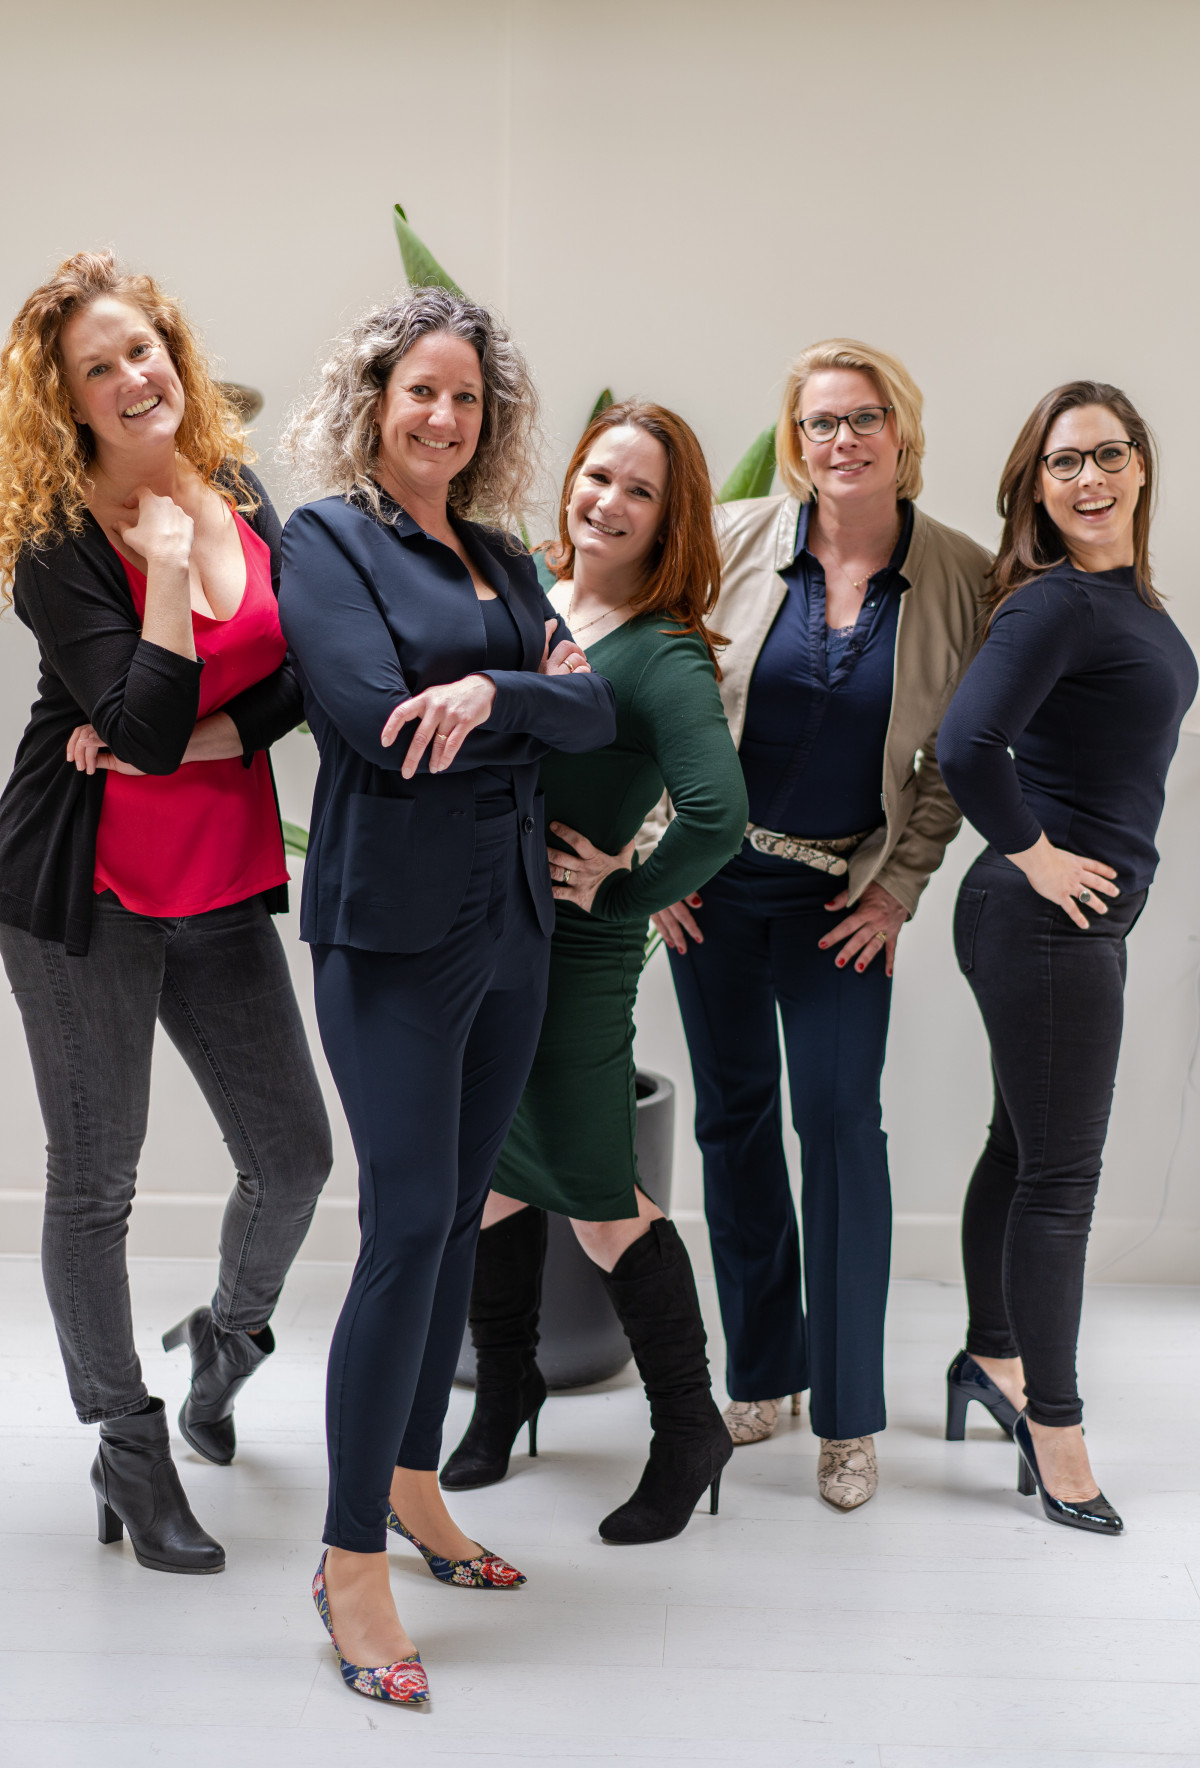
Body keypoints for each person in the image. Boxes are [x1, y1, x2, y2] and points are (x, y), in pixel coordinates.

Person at [279, 286, 615, 1706]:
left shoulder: (505, 555)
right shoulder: (328, 540)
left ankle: (413, 1484)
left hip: (515, 924)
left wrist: (490, 699)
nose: (445, 415)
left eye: (468, 396)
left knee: (465, 1213)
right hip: (394, 933)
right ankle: (348, 1558)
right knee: (408, 1223)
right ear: (375, 399)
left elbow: (591, 711)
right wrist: (518, 692)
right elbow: (374, 723)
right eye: (422, 388)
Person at [0, 252, 332, 1575]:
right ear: (67, 402)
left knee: (294, 1159)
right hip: (81, 894)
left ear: (172, 351)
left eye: (142, 348)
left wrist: (200, 745)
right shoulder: (53, 546)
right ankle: (128, 1446)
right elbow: (129, 725)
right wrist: (167, 576)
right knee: (96, 1183)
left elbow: (305, 669)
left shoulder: (234, 482)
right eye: (99, 368)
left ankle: (226, 1341)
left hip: (220, 872)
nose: (132, 377)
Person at [648, 340, 991, 1508]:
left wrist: (899, 887)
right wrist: (656, 847)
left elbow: (957, 761)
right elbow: (651, 689)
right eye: (819, 423)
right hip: (714, 884)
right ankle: (763, 1372)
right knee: (732, 1122)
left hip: (842, 901)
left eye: (863, 418)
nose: (842, 441)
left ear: (903, 430)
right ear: (796, 441)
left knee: (841, 1126)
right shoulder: (732, 540)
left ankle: (847, 1417)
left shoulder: (962, 577)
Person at [441, 400, 748, 1543]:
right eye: (597, 475)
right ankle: (507, 1384)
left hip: (575, 950)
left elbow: (718, 815)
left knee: (600, 1196)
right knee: (489, 1171)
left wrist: (623, 889)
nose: (607, 502)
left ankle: (689, 1425)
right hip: (489, 929)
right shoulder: (530, 590)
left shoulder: (663, 651)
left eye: (639, 491)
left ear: (672, 519)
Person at [938, 381, 1196, 1535]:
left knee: (1022, 1148)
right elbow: (965, 745)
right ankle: (1057, 1428)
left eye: (1107, 453)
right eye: (1063, 463)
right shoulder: (1055, 604)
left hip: (1057, 926)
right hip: (1044, 922)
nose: (1089, 478)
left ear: (1140, 463)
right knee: (1063, 1179)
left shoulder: (1128, 602)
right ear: (1035, 490)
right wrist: (1039, 855)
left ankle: (990, 1358)